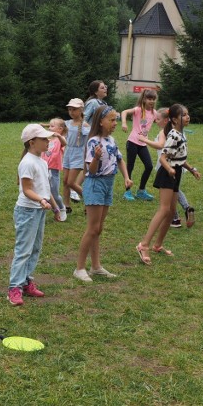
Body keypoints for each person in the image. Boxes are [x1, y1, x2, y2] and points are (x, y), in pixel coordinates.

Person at [136, 104, 201, 265]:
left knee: (172, 211)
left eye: (187, 114)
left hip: (175, 172)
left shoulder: (181, 134)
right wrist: (170, 170)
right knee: (164, 209)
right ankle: (143, 245)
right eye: (183, 115)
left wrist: (191, 169)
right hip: (167, 174)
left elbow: (179, 157)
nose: (187, 117)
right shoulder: (173, 135)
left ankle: (158, 245)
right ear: (173, 119)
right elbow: (163, 158)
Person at [74, 106, 133, 282]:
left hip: (108, 183)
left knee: (98, 228)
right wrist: (96, 158)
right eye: (112, 120)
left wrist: (127, 178)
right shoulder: (93, 141)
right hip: (95, 184)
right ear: (100, 121)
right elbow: (90, 171)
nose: (115, 123)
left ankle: (96, 267)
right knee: (92, 228)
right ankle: (79, 268)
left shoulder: (111, 140)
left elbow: (120, 160)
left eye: (116, 120)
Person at [7, 124, 58, 306]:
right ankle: (14, 287)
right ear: (32, 142)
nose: (48, 142)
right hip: (28, 211)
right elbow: (27, 190)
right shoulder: (27, 163)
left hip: (39, 210)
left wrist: (55, 206)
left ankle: (26, 281)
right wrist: (41, 201)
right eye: (44, 139)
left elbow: (45, 188)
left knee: (35, 249)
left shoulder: (42, 162)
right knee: (23, 250)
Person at [137, 108, 196, 229]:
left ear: (166, 120)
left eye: (158, 119)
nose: (155, 121)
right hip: (178, 166)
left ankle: (175, 218)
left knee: (167, 198)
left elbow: (161, 146)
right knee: (175, 190)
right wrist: (192, 169)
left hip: (167, 167)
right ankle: (185, 209)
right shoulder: (179, 132)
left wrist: (144, 140)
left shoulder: (165, 132)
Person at [121, 89, 158, 201]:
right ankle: (127, 192)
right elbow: (124, 112)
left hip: (143, 144)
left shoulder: (154, 113)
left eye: (153, 99)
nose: (151, 101)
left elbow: (162, 119)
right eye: (149, 99)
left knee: (149, 166)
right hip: (132, 142)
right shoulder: (138, 110)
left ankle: (141, 191)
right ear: (144, 99)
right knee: (130, 167)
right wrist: (123, 123)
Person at [61, 98, 90, 213]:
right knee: (65, 181)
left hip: (79, 154)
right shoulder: (67, 123)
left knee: (71, 182)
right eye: (69, 109)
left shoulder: (84, 125)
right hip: (68, 152)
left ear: (81, 110)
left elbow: (90, 140)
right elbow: (56, 126)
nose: (71, 112)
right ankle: (66, 206)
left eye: (74, 109)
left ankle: (90, 202)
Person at [42, 118, 67, 221]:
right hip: (44, 168)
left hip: (54, 170)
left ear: (60, 129)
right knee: (44, 191)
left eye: (52, 126)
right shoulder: (47, 139)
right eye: (50, 126)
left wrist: (59, 136)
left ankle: (62, 208)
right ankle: (53, 210)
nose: (50, 128)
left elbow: (65, 143)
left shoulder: (59, 140)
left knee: (54, 194)